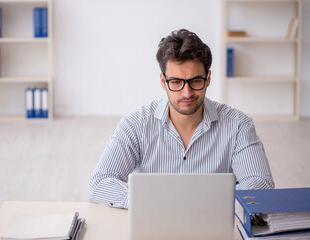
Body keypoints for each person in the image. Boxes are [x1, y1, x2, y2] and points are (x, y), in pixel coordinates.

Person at [89, 29, 274, 209]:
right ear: (163, 82)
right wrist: (158, 203)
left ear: (208, 79)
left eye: (195, 81)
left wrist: (192, 203)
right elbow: (100, 183)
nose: (187, 93)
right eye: (176, 82)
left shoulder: (239, 125)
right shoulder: (135, 125)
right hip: (153, 222)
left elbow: (261, 185)